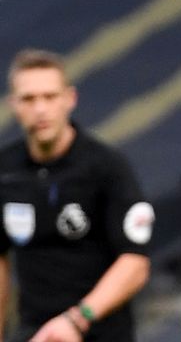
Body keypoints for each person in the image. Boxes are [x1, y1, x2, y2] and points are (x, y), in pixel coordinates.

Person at [0, 49, 155, 342]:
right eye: (29, 99)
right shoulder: (4, 171)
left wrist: (77, 319)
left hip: (99, 333)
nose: (40, 109)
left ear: (70, 99)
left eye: (49, 96)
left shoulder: (107, 167)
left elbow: (135, 263)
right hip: (35, 334)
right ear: (13, 105)